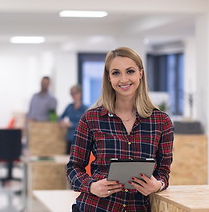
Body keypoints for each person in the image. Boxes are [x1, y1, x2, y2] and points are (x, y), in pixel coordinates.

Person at [66, 47, 174, 212]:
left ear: (140, 73)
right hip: (96, 207)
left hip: (138, 207)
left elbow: (164, 172)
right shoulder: (91, 119)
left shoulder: (161, 121)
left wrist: (157, 184)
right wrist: (92, 186)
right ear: (108, 77)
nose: (124, 79)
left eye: (130, 71)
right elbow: (73, 168)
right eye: (116, 73)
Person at [59, 85, 88, 154]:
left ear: (80, 93)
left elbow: (86, 124)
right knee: (68, 160)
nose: (73, 95)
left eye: (75, 93)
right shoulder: (69, 107)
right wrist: (62, 122)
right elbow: (60, 117)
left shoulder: (85, 109)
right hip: (70, 138)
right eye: (71, 93)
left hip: (80, 140)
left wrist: (71, 125)